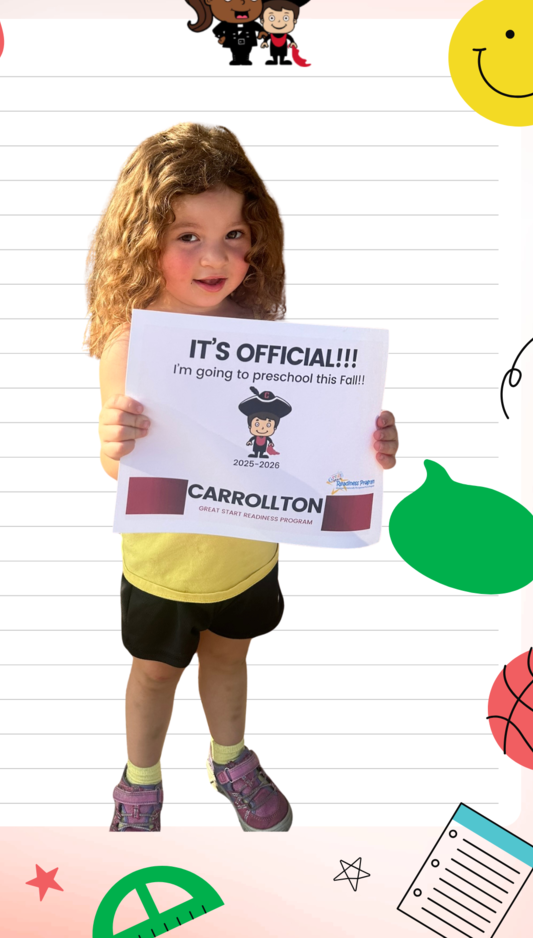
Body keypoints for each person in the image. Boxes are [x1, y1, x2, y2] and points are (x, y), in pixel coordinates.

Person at [85, 122, 399, 832]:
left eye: (233, 234)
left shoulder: (258, 326)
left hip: (249, 554)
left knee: (228, 661)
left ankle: (230, 760)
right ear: (142, 240)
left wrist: (369, 443)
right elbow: (116, 461)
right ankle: (140, 782)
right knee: (155, 672)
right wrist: (114, 439)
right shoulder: (130, 340)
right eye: (187, 236)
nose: (215, 256)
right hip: (163, 563)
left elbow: (319, 438)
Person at [259, 0, 314, 65]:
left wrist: (292, 42)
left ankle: (282, 60)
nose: (279, 21)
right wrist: (265, 42)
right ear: (262, 20)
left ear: (294, 20)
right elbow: (267, 38)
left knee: (283, 53)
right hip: (273, 45)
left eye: (285, 18)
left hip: (283, 46)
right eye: (271, 18)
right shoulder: (270, 35)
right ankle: (275, 60)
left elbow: (289, 37)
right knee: (274, 53)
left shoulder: (285, 35)